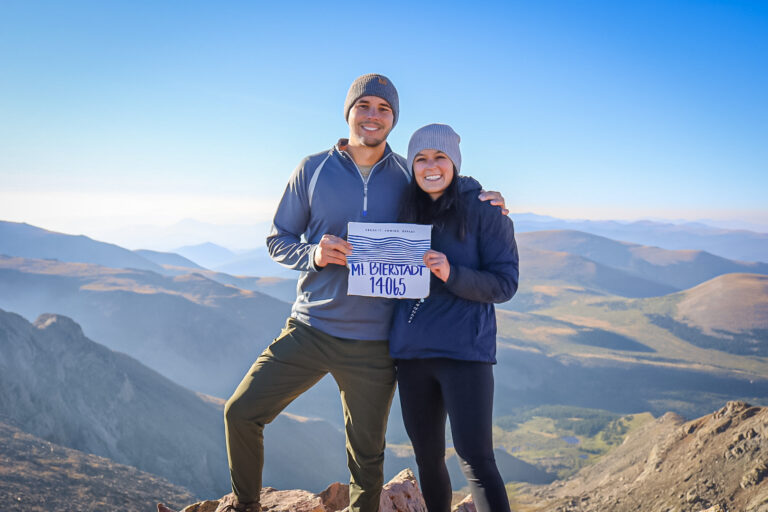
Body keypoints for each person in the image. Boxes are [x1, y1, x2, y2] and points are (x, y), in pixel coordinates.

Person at [217, 75, 507, 512]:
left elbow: (443, 184)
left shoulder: (404, 177)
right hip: (310, 327)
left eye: (384, 109)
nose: (373, 115)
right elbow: (278, 240)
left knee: (367, 462)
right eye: (365, 106)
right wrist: (314, 253)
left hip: (375, 341)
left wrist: (486, 196)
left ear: (393, 120)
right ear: (349, 112)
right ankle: (245, 505)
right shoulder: (312, 169)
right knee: (240, 412)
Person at [389, 124, 519, 512]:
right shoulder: (403, 208)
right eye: (421, 159)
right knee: (427, 459)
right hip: (412, 356)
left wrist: (452, 273)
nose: (431, 166)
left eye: (439, 157)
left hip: (465, 353)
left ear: (454, 163)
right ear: (411, 166)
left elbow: (505, 283)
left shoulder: (484, 209)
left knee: (476, 460)